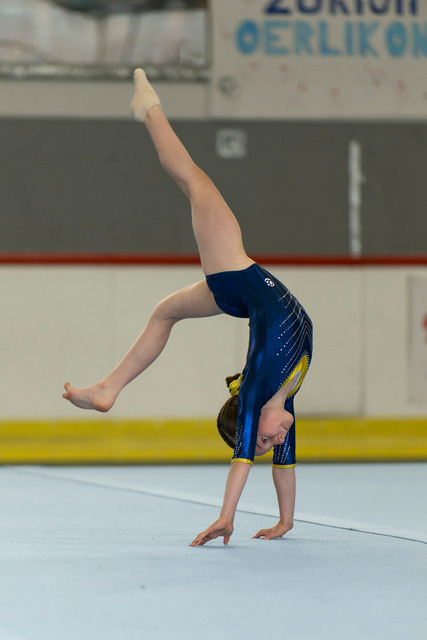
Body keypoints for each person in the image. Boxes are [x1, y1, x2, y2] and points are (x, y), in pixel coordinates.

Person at [63, 69, 313, 546]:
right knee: (166, 311)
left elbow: (242, 460)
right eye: (271, 444)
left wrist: (226, 516)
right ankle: (108, 389)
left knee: (193, 181)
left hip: (235, 274)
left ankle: (149, 109)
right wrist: (286, 521)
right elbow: (284, 465)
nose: (276, 440)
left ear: (250, 419)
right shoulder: (286, 397)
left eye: (264, 439)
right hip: (238, 294)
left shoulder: (259, 387)